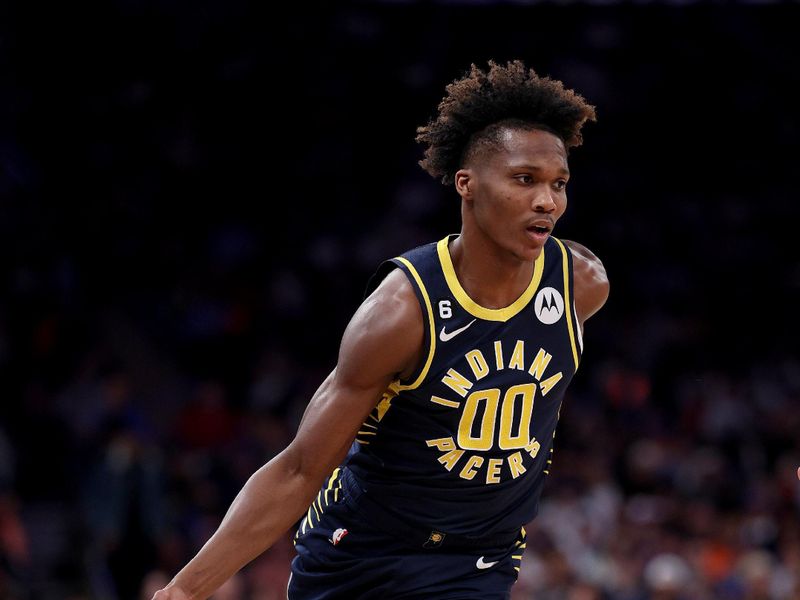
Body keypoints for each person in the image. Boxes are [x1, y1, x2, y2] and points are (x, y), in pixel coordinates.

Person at [153, 60, 609, 600]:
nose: (547, 201)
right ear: (466, 184)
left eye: (559, 184)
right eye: (525, 179)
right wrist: (184, 590)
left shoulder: (581, 284)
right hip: (363, 554)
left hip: (476, 559)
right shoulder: (402, 311)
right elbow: (300, 469)